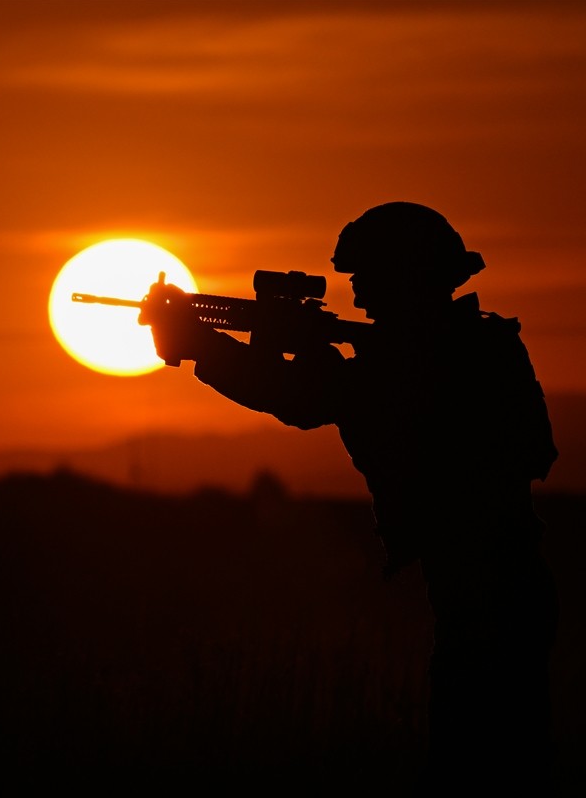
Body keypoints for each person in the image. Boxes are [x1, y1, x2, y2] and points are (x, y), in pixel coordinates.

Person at [149, 202, 559, 794]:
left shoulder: (450, 356)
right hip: (492, 583)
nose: (358, 298)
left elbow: (302, 398)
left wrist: (214, 348)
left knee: (476, 767)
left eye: (367, 280)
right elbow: (319, 391)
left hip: (491, 589)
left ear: (407, 279)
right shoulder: (464, 348)